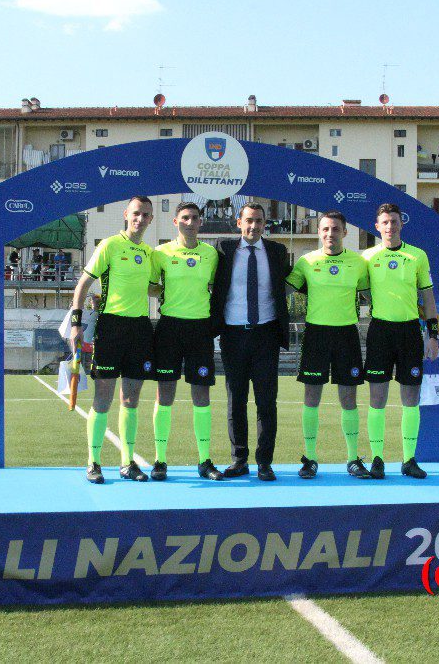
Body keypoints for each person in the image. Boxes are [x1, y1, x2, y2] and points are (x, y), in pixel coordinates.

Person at [69, 197, 158, 484]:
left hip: (141, 329)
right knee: (103, 399)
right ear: (126, 215)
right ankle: (93, 462)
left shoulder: (149, 253)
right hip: (110, 329)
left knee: (131, 399)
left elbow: (153, 289)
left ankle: (127, 463)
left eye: (145, 215)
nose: (140, 219)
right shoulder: (109, 245)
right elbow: (83, 284)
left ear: (150, 219)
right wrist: (76, 323)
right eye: (136, 214)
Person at [286, 211, 370, 479]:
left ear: (345, 232)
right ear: (319, 232)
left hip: (347, 335)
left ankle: (353, 459)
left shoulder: (358, 263)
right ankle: (310, 458)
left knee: (349, 399)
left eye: (335, 229)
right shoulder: (306, 262)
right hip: (316, 336)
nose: (329, 234)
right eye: (324, 229)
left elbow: (372, 293)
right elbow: (283, 292)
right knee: (311, 398)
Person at [210, 202, 291, 481]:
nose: (254, 226)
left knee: (267, 402)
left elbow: (288, 286)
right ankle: (239, 459)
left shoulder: (278, 252)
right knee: (237, 401)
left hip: (266, 334)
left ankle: (264, 462)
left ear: (265, 223)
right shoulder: (223, 250)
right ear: (238, 222)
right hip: (233, 334)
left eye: (259, 221)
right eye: (249, 221)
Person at [362, 203, 439, 480]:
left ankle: (408, 459)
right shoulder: (367, 257)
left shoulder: (417, 256)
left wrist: (433, 336)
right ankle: (377, 459)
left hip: (409, 333)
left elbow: (428, 299)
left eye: (394, 221)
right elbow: (358, 291)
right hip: (380, 332)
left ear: (401, 224)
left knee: (410, 398)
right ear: (377, 226)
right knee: (377, 398)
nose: (390, 226)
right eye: (385, 222)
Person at [148, 202, 224, 481]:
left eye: (194, 218)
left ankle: (204, 460)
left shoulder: (211, 255)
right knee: (164, 394)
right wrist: (167, 293)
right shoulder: (161, 253)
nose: (190, 222)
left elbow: (218, 288)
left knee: (201, 395)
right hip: (169, 328)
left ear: (201, 222)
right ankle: (160, 460)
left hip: (200, 331)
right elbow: (149, 285)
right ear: (175, 222)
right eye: (185, 218)